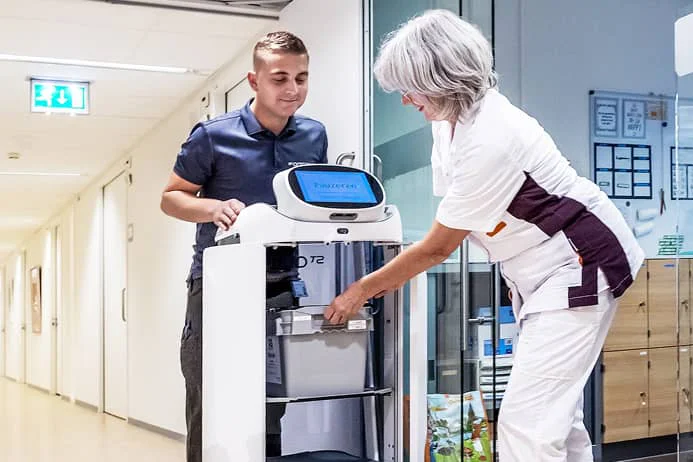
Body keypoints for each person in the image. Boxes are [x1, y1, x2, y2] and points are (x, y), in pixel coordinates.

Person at [324, 10, 644, 462]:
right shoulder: (448, 124)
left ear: (441, 78)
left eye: (410, 88)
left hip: (579, 263)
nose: (405, 101)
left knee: (526, 427)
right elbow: (455, 212)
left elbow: (439, 246)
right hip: (533, 271)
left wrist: (363, 288)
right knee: (556, 417)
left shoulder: (493, 137)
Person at [161, 31, 328, 462]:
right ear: (254, 82)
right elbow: (172, 197)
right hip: (218, 284)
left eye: (302, 77)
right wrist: (214, 207)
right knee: (211, 394)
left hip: (282, 282)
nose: (293, 90)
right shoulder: (213, 135)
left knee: (272, 399)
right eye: (280, 78)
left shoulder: (313, 136)